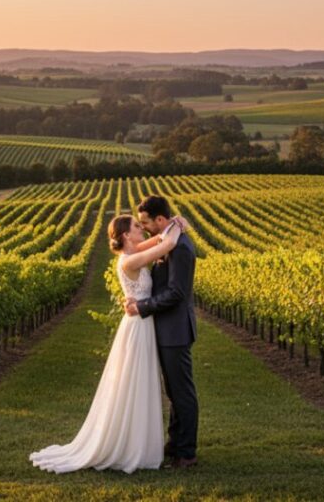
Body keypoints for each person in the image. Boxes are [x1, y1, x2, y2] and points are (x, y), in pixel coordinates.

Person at [29, 212, 183, 474]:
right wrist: (177, 225)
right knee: (134, 382)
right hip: (137, 327)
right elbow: (166, 244)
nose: (141, 229)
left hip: (142, 323)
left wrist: (166, 228)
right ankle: (131, 447)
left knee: (141, 382)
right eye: (136, 226)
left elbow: (157, 239)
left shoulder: (133, 253)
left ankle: (140, 444)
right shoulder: (128, 261)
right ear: (126, 235)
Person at [125, 195, 199, 469]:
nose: (143, 227)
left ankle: (187, 453)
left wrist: (142, 306)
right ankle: (175, 443)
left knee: (182, 393)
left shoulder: (179, 248)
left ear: (160, 220)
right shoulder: (168, 239)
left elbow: (176, 293)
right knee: (174, 391)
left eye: (145, 222)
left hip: (175, 330)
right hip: (166, 328)